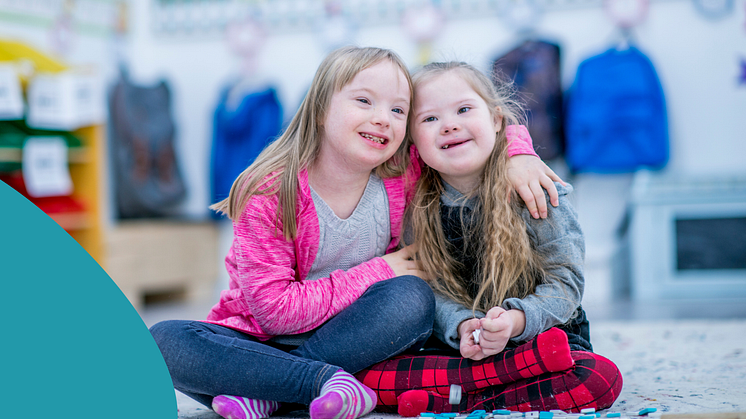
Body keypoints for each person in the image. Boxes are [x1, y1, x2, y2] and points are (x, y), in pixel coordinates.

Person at [149, 48, 558, 419]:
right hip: (258, 338)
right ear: (322, 108)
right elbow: (274, 311)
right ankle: (315, 385)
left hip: (351, 334)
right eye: (364, 101)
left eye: (399, 111)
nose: (383, 117)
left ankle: (265, 389)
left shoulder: (404, 172)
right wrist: (379, 269)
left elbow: (477, 130)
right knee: (164, 340)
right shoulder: (271, 191)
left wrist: (518, 153)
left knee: (412, 298)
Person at [355, 62, 623, 415]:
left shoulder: (536, 188)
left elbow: (566, 283)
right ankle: (487, 388)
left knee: (597, 378)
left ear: (497, 121)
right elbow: (428, 289)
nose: (449, 124)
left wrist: (514, 322)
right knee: (367, 375)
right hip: (459, 347)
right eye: (429, 119)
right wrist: (463, 325)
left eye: (464, 110)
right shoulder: (415, 204)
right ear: (414, 142)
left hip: (540, 338)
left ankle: (457, 396)